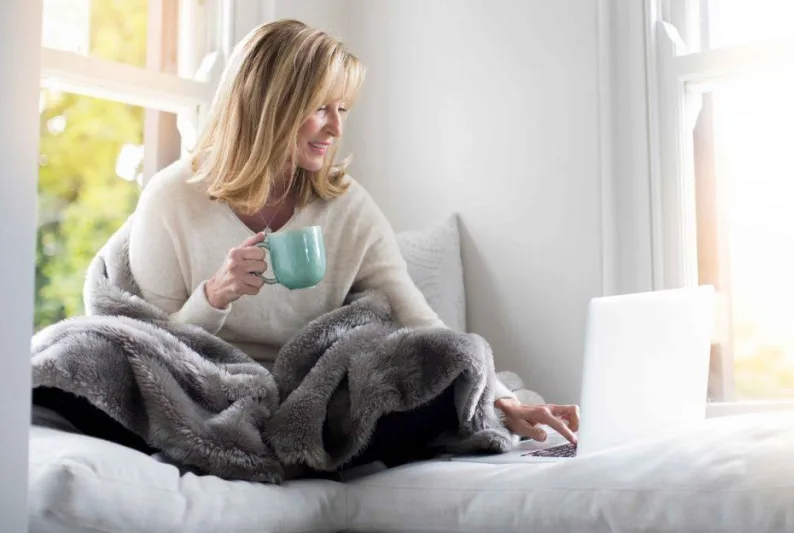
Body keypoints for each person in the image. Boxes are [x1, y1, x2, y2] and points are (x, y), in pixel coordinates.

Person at [127, 19, 579, 466]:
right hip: (208, 396)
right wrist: (213, 296)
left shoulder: (346, 208)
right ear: (269, 106)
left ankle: (296, 447)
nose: (336, 129)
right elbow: (157, 353)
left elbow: (415, 318)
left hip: (313, 407)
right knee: (90, 360)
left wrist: (503, 401)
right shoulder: (172, 200)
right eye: (322, 108)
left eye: (342, 110)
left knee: (443, 375)